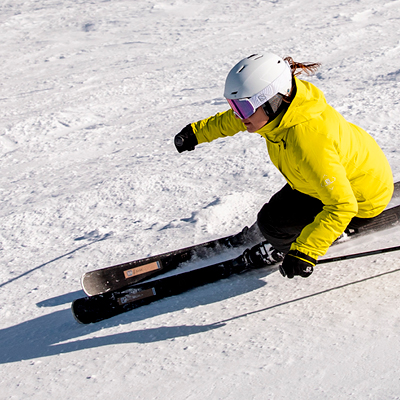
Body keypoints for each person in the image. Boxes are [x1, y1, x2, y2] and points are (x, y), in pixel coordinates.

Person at [174, 53, 393, 279]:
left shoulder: (308, 142)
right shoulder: (286, 111)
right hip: (333, 177)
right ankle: (287, 234)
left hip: (360, 200)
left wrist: (305, 252)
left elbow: (342, 206)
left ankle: (284, 247)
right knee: (272, 216)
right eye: (234, 106)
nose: (239, 116)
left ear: (273, 100)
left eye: (243, 107)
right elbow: (234, 120)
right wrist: (197, 133)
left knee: (272, 226)